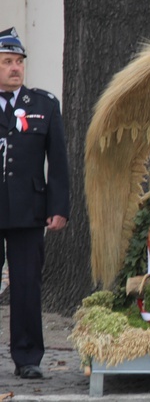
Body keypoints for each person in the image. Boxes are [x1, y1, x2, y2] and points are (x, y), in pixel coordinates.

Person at [0, 27, 70, 380]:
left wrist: (59, 208)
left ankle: (27, 356)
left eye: (19, 62)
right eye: (8, 62)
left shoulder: (43, 105)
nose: (16, 68)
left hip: (29, 209)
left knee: (27, 284)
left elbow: (58, 162)